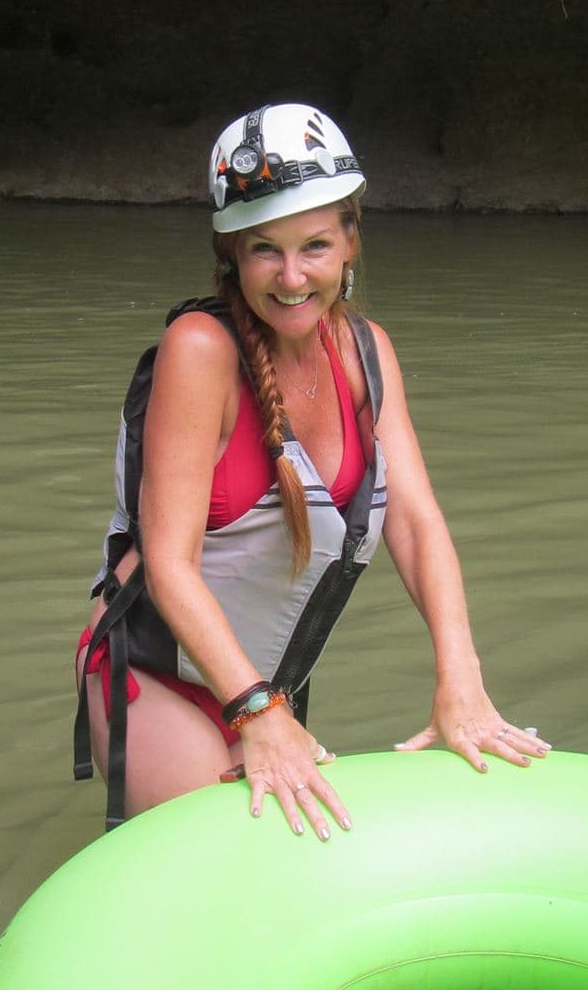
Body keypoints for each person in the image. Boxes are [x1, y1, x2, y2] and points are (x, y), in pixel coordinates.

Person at [75, 100, 549, 835]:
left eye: (316, 246)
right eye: (265, 248)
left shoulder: (368, 353)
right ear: (231, 251)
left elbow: (419, 526)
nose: (292, 277)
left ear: (352, 241)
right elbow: (169, 565)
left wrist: (461, 682)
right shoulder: (200, 350)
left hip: (267, 684)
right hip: (157, 675)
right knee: (235, 864)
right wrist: (258, 711)